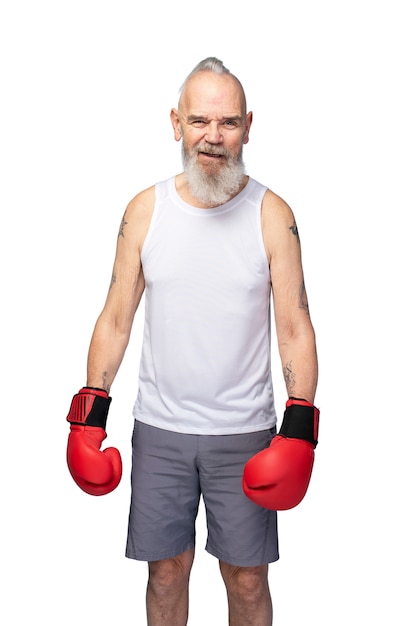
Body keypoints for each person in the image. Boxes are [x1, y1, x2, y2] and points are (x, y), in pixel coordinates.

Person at [65, 57, 319, 626]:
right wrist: (87, 416)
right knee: (165, 573)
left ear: (248, 126)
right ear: (175, 123)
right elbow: (115, 319)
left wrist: (300, 425)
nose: (213, 136)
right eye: (200, 120)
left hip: (246, 433)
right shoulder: (145, 211)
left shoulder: (273, 215)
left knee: (249, 581)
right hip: (161, 430)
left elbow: (295, 326)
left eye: (227, 122)